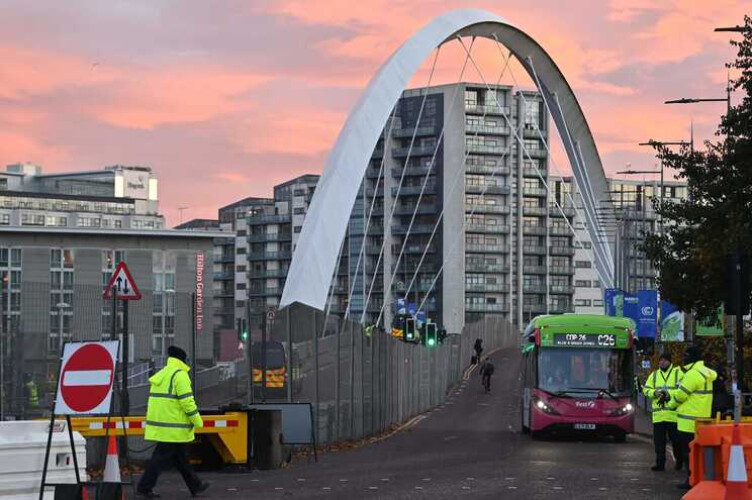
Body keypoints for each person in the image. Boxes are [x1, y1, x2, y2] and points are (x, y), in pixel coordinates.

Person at [137, 346, 210, 498]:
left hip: (163, 424)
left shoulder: (163, 373)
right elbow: (187, 402)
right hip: (173, 426)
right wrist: (198, 421)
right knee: (160, 459)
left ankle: (195, 485)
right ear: (182, 360)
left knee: (179, 458)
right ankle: (144, 488)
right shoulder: (180, 375)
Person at [662, 346, 717, 490]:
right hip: (702, 420)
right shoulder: (706, 374)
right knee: (699, 452)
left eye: (686, 356)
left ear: (692, 358)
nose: (684, 358)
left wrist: (670, 404)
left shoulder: (692, 374)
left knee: (688, 454)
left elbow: (680, 395)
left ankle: (690, 479)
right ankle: (699, 478)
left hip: (687, 422)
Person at [642, 353, 682, 472]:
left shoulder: (677, 373)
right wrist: (655, 393)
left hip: (673, 416)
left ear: (670, 362)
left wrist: (669, 395)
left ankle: (679, 461)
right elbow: (646, 390)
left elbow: (682, 390)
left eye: (665, 360)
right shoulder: (654, 375)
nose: (662, 363)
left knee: (676, 441)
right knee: (659, 442)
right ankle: (660, 463)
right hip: (658, 416)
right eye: (661, 361)